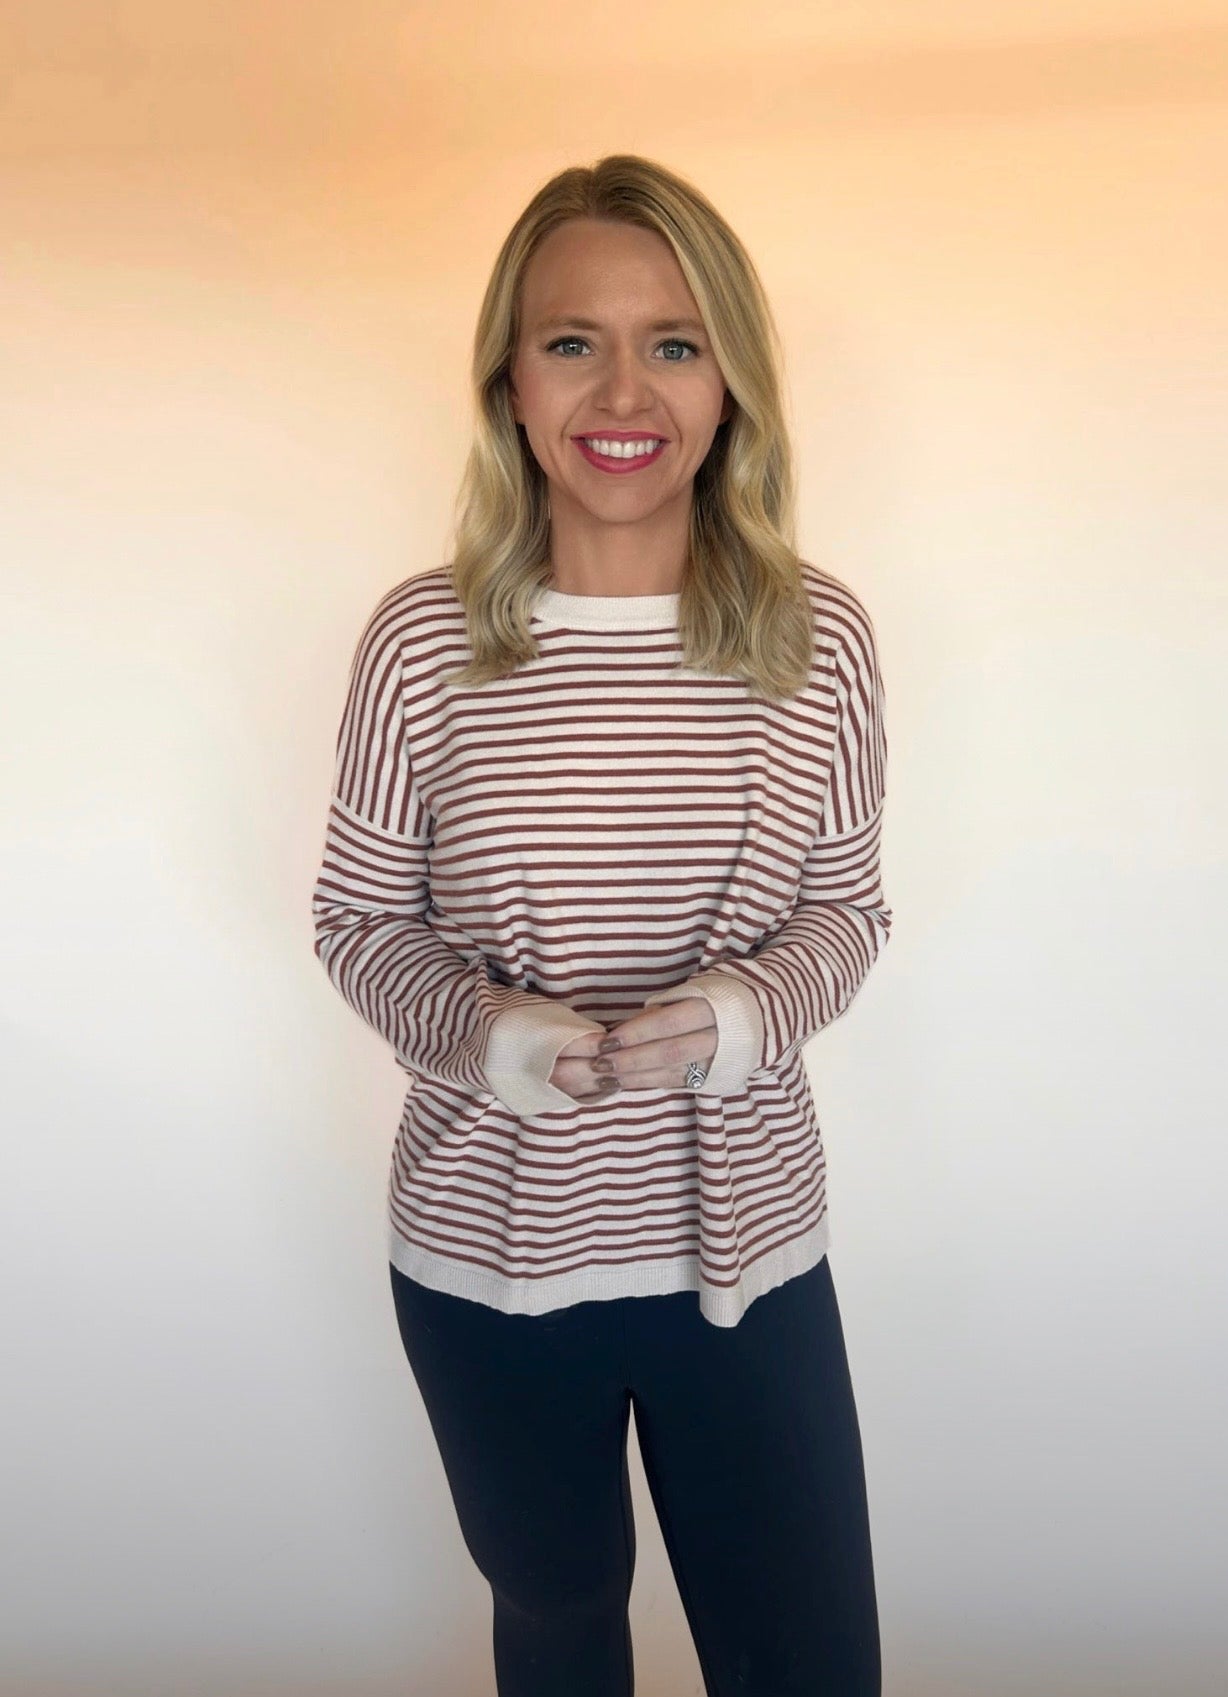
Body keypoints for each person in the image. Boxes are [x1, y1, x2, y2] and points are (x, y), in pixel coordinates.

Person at [311, 153, 892, 1697]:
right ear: (508, 379)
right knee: (562, 1636)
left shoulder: (816, 636)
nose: (620, 386)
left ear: (730, 386)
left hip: (745, 1253)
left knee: (810, 1663)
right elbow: (359, 916)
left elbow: (846, 907)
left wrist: (744, 1015)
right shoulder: (421, 642)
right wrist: (485, 1031)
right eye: (573, 339)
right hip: (489, 1260)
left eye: (674, 341)